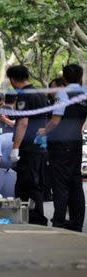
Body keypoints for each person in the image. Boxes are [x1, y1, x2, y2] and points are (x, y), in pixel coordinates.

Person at [38, 64, 86, 232]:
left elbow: (56, 120)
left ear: (64, 78)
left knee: (60, 184)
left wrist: (44, 131)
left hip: (61, 144)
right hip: (76, 142)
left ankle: (58, 222)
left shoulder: (63, 93)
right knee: (76, 182)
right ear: (81, 77)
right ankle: (76, 222)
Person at [7, 65, 48, 226]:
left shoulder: (24, 96)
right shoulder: (39, 93)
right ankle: (29, 217)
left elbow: (22, 123)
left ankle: (35, 219)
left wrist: (15, 146)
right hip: (39, 146)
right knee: (33, 182)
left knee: (28, 184)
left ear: (12, 80)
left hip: (28, 146)